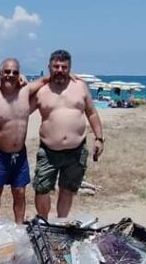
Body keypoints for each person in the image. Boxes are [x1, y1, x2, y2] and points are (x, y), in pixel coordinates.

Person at [33, 49, 104, 219]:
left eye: (64, 67)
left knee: (67, 190)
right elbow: (21, 111)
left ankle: (61, 223)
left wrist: (99, 138)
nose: (59, 70)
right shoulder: (41, 90)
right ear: (49, 66)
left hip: (76, 150)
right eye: (56, 66)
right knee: (41, 189)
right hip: (49, 151)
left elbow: (91, 113)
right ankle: (44, 222)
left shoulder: (80, 86)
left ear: (69, 67)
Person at [0, 57, 45, 224]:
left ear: (20, 74)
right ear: (0, 74)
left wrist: (70, 75)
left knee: (19, 192)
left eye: (15, 72)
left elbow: (45, 80)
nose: (10, 75)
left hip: (19, 154)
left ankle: (19, 226)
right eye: (7, 71)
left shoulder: (25, 92)